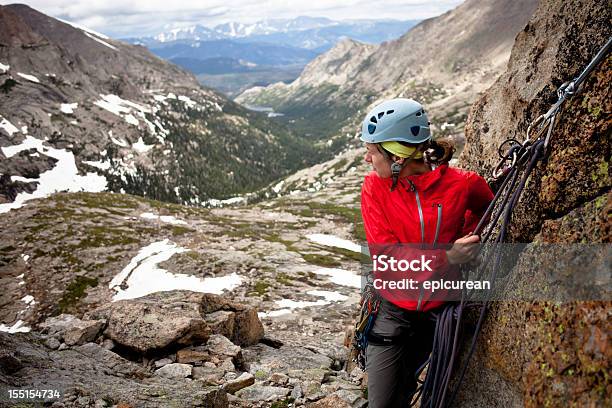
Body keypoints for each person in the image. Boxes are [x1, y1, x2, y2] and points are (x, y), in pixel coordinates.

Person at [359, 98, 494, 407]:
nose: (368, 160)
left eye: (372, 151)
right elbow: (387, 257)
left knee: (408, 391)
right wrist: (447, 257)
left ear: (397, 157)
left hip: (438, 308)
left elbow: (487, 209)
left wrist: (468, 238)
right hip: (392, 307)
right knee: (382, 402)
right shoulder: (373, 188)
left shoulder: (461, 185)